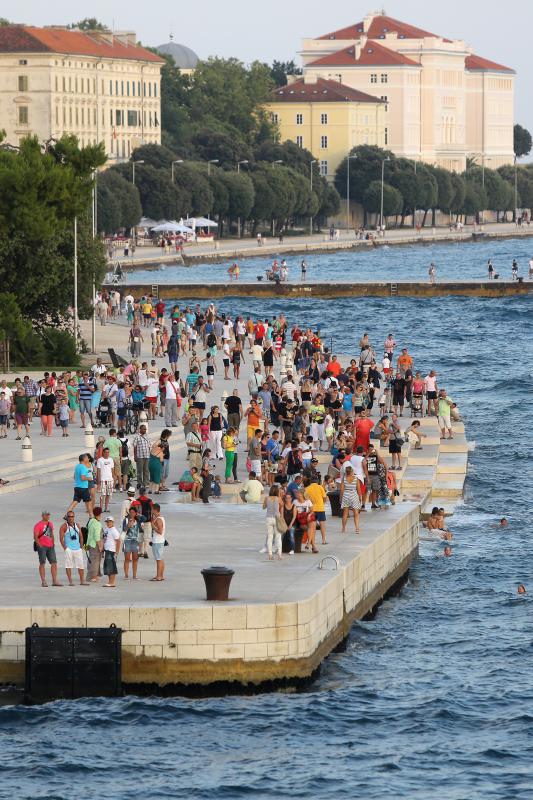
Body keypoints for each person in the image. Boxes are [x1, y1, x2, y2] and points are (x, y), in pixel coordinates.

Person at [59, 511, 89, 586]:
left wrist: (81, 547)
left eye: (72, 516)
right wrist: (65, 548)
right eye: (69, 516)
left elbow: (81, 536)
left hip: (77, 548)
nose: (71, 518)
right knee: (68, 565)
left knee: (81, 565)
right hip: (69, 549)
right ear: (67, 517)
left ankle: (82, 581)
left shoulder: (77, 525)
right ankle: (70, 581)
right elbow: (61, 538)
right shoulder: (64, 526)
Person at [33, 511, 61, 587]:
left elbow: (51, 534)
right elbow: (35, 536)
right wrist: (39, 545)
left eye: (49, 515)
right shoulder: (38, 525)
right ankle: (43, 581)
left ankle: (54, 580)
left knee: (54, 563)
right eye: (47, 515)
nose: (48, 516)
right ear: (42, 516)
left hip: (50, 546)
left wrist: (53, 543)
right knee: (42, 563)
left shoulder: (50, 524)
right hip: (42, 546)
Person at [304, 476, 327, 549]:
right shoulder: (320, 487)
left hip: (312, 509)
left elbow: (305, 498)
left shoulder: (307, 488)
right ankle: (323, 540)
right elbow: (324, 497)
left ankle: (309, 541)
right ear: (317, 481)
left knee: (311, 527)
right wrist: (323, 502)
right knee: (322, 524)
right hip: (320, 508)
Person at [263, 485, 283, 561]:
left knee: (270, 537)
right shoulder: (279, 499)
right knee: (278, 537)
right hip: (277, 518)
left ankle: (270, 554)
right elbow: (282, 505)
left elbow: (264, 507)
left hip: (269, 518)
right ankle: (279, 555)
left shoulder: (266, 498)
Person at [122, 506, 142, 580]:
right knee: (127, 558)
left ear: (136, 513)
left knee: (135, 558)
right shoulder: (126, 520)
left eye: (133, 512)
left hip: (135, 541)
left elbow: (141, 529)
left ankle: (134, 575)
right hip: (127, 540)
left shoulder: (138, 520)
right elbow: (123, 530)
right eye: (130, 512)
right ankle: (126, 575)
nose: (131, 514)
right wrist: (128, 526)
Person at [340, 465, 361, 534]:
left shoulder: (344, 479)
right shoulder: (356, 479)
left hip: (346, 496)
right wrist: (360, 498)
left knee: (345, 514)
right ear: (352, 471)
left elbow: (342, 490)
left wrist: (341, 498)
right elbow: (359, 490)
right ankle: (357, 529)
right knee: (356, 513)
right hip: (354, 496)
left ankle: (343, 528)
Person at [85, 507, 103, 582]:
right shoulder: (98, 523)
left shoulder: (91, 520)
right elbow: (97, 536)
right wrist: (100, 546)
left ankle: (94, 575)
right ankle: (92, 577)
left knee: (91, 560)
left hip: (89, 543)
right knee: (95, 561)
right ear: (99, 514)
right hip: (95, 544)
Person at [102, 516, 120, 587]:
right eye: (107, 522)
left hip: (111, 550)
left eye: (110, 521)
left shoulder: (114, 530)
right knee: (107, 566)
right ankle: (110, 581)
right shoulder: (106, 529)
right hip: (106, 550)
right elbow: (104, 539)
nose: (108, 523)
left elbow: (118, 541)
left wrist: (116, 552)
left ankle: (112, 582)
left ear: (113, 522)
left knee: (111, 566)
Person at [96, 447, 115, 513]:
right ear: (103, 452)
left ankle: (106, 508)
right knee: (102, 495)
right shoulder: (100, 460)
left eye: (108, 452)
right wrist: (98, 481)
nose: (107, 454)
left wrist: (113, 479)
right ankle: (101, 508)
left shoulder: (111, 459)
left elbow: (112, 470)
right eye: (106, 452)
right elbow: (98, 470)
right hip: (103, 480)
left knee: (108, 494)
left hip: (110, 479)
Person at [151, 503, 166, 581]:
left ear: (155, 510)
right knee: (160, 558)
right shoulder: (159, 518)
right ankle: (161, 575)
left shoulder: (159, 519)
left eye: (152, 509)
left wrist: (153, 526)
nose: (151, 511)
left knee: (158, 559)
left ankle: (159, 576)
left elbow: (160, 531)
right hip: (159, 541)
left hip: (158, 541)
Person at [133, 424, 151, 489]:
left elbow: (149, 446)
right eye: (144, 429)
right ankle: (139, 483)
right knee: (140, 470)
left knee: (146, 470)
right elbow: (135, 447)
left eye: (145, 429)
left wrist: (149, 455)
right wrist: (135, 456)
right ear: (140, 429)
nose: (145, 430)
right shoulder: (137, 437)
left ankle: (146, 483)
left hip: (147, 456)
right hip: (140, 456)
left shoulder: (147, 437)